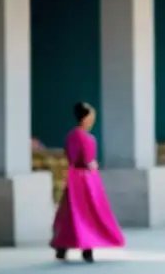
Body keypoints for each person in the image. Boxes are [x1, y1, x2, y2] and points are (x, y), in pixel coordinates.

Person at [51, 103, 125, 262]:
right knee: (84, 212)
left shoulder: (75, 136)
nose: (92, 121)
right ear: (84, 118)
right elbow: (81, 158)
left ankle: (64, 247)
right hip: (83, 178)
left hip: (80, 178)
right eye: (91, 117)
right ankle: (85, 248)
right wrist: (89, 164)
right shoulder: (81, 137)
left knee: (74, 213)